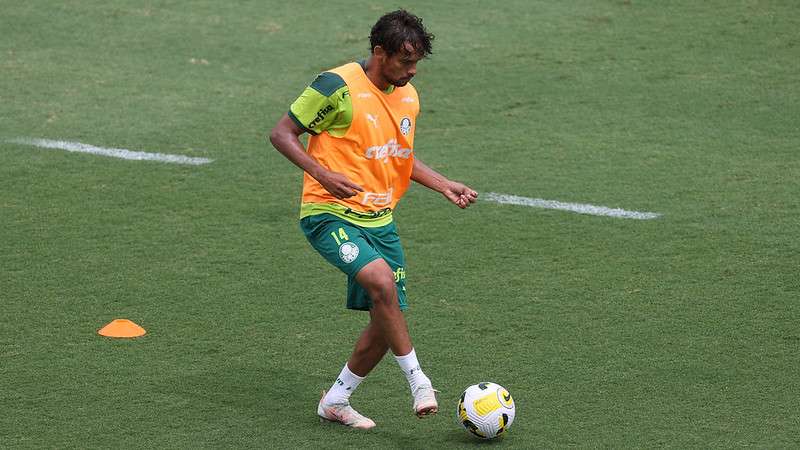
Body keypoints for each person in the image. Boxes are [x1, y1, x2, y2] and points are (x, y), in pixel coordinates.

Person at [269, 9, 478, 430]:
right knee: (382, 284)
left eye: (417, 62)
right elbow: (282, 133)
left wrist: (442, 183)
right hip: (328, 214)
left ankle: (336, 400)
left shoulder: (408, 97)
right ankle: (419, 382)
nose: (412, 71)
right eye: (405, 62)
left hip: (380, 220)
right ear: (379, 53)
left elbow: (397, 155)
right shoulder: (336, 85)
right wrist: (322, 173)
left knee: (387, 322)